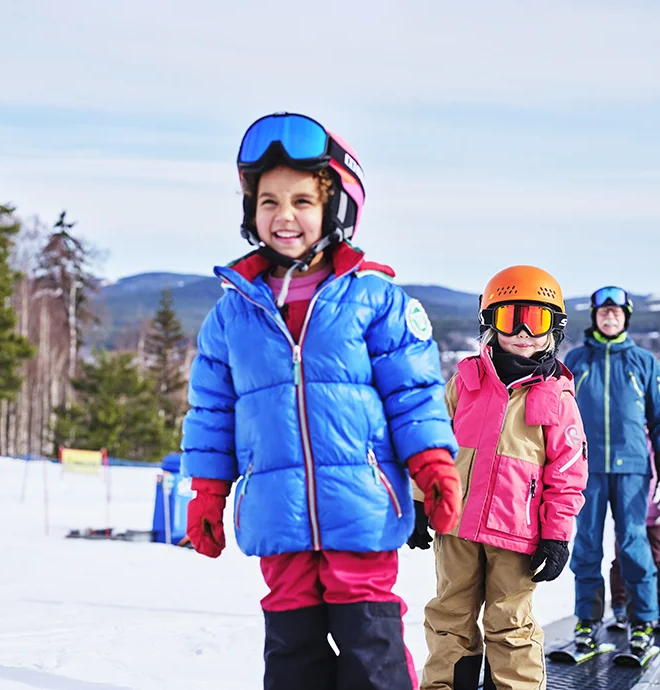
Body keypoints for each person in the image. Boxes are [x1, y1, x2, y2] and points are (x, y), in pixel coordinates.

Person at [179, 112, 462, 690]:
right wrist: (208, 491)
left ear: (336, 207)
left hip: (360, 503)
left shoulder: (374, 299)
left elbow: (413, 393)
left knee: (370, 646)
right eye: (268, 201)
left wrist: (432, 463)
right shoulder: (232, 313)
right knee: (291, 653)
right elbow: (211, 413)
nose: (284, 216)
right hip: (276, 509)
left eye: (303, 201)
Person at [409, 266, 588, 690]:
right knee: (449, 618)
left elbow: (567, 474)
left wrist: (557, 535)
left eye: (537, 319)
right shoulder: (466, 381)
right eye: (511, 319)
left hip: (518, 535)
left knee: (510, 626)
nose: (524, 331)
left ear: (554, 328)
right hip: (456, 526)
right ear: (491, 323)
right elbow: (434, 444)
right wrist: (420, 500)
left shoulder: (557, 396)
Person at [564, 286, 660, 658]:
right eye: (603, 312)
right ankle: (587, 620)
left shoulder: (644, 362)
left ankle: (642, 622)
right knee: (586, 546)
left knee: (633, 544)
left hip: (632, 469)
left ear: (626, 317)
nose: (609, 317)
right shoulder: (577, 359)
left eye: (616, 312)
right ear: (595, 317)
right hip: (587, 468)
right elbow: (560, 415)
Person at [609, 450, 660, 630]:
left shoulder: (659, 445)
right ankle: (620, 606)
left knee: (658, 560)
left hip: (653, 516)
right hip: (629, 516)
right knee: (621, 560)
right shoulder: (626, 439)